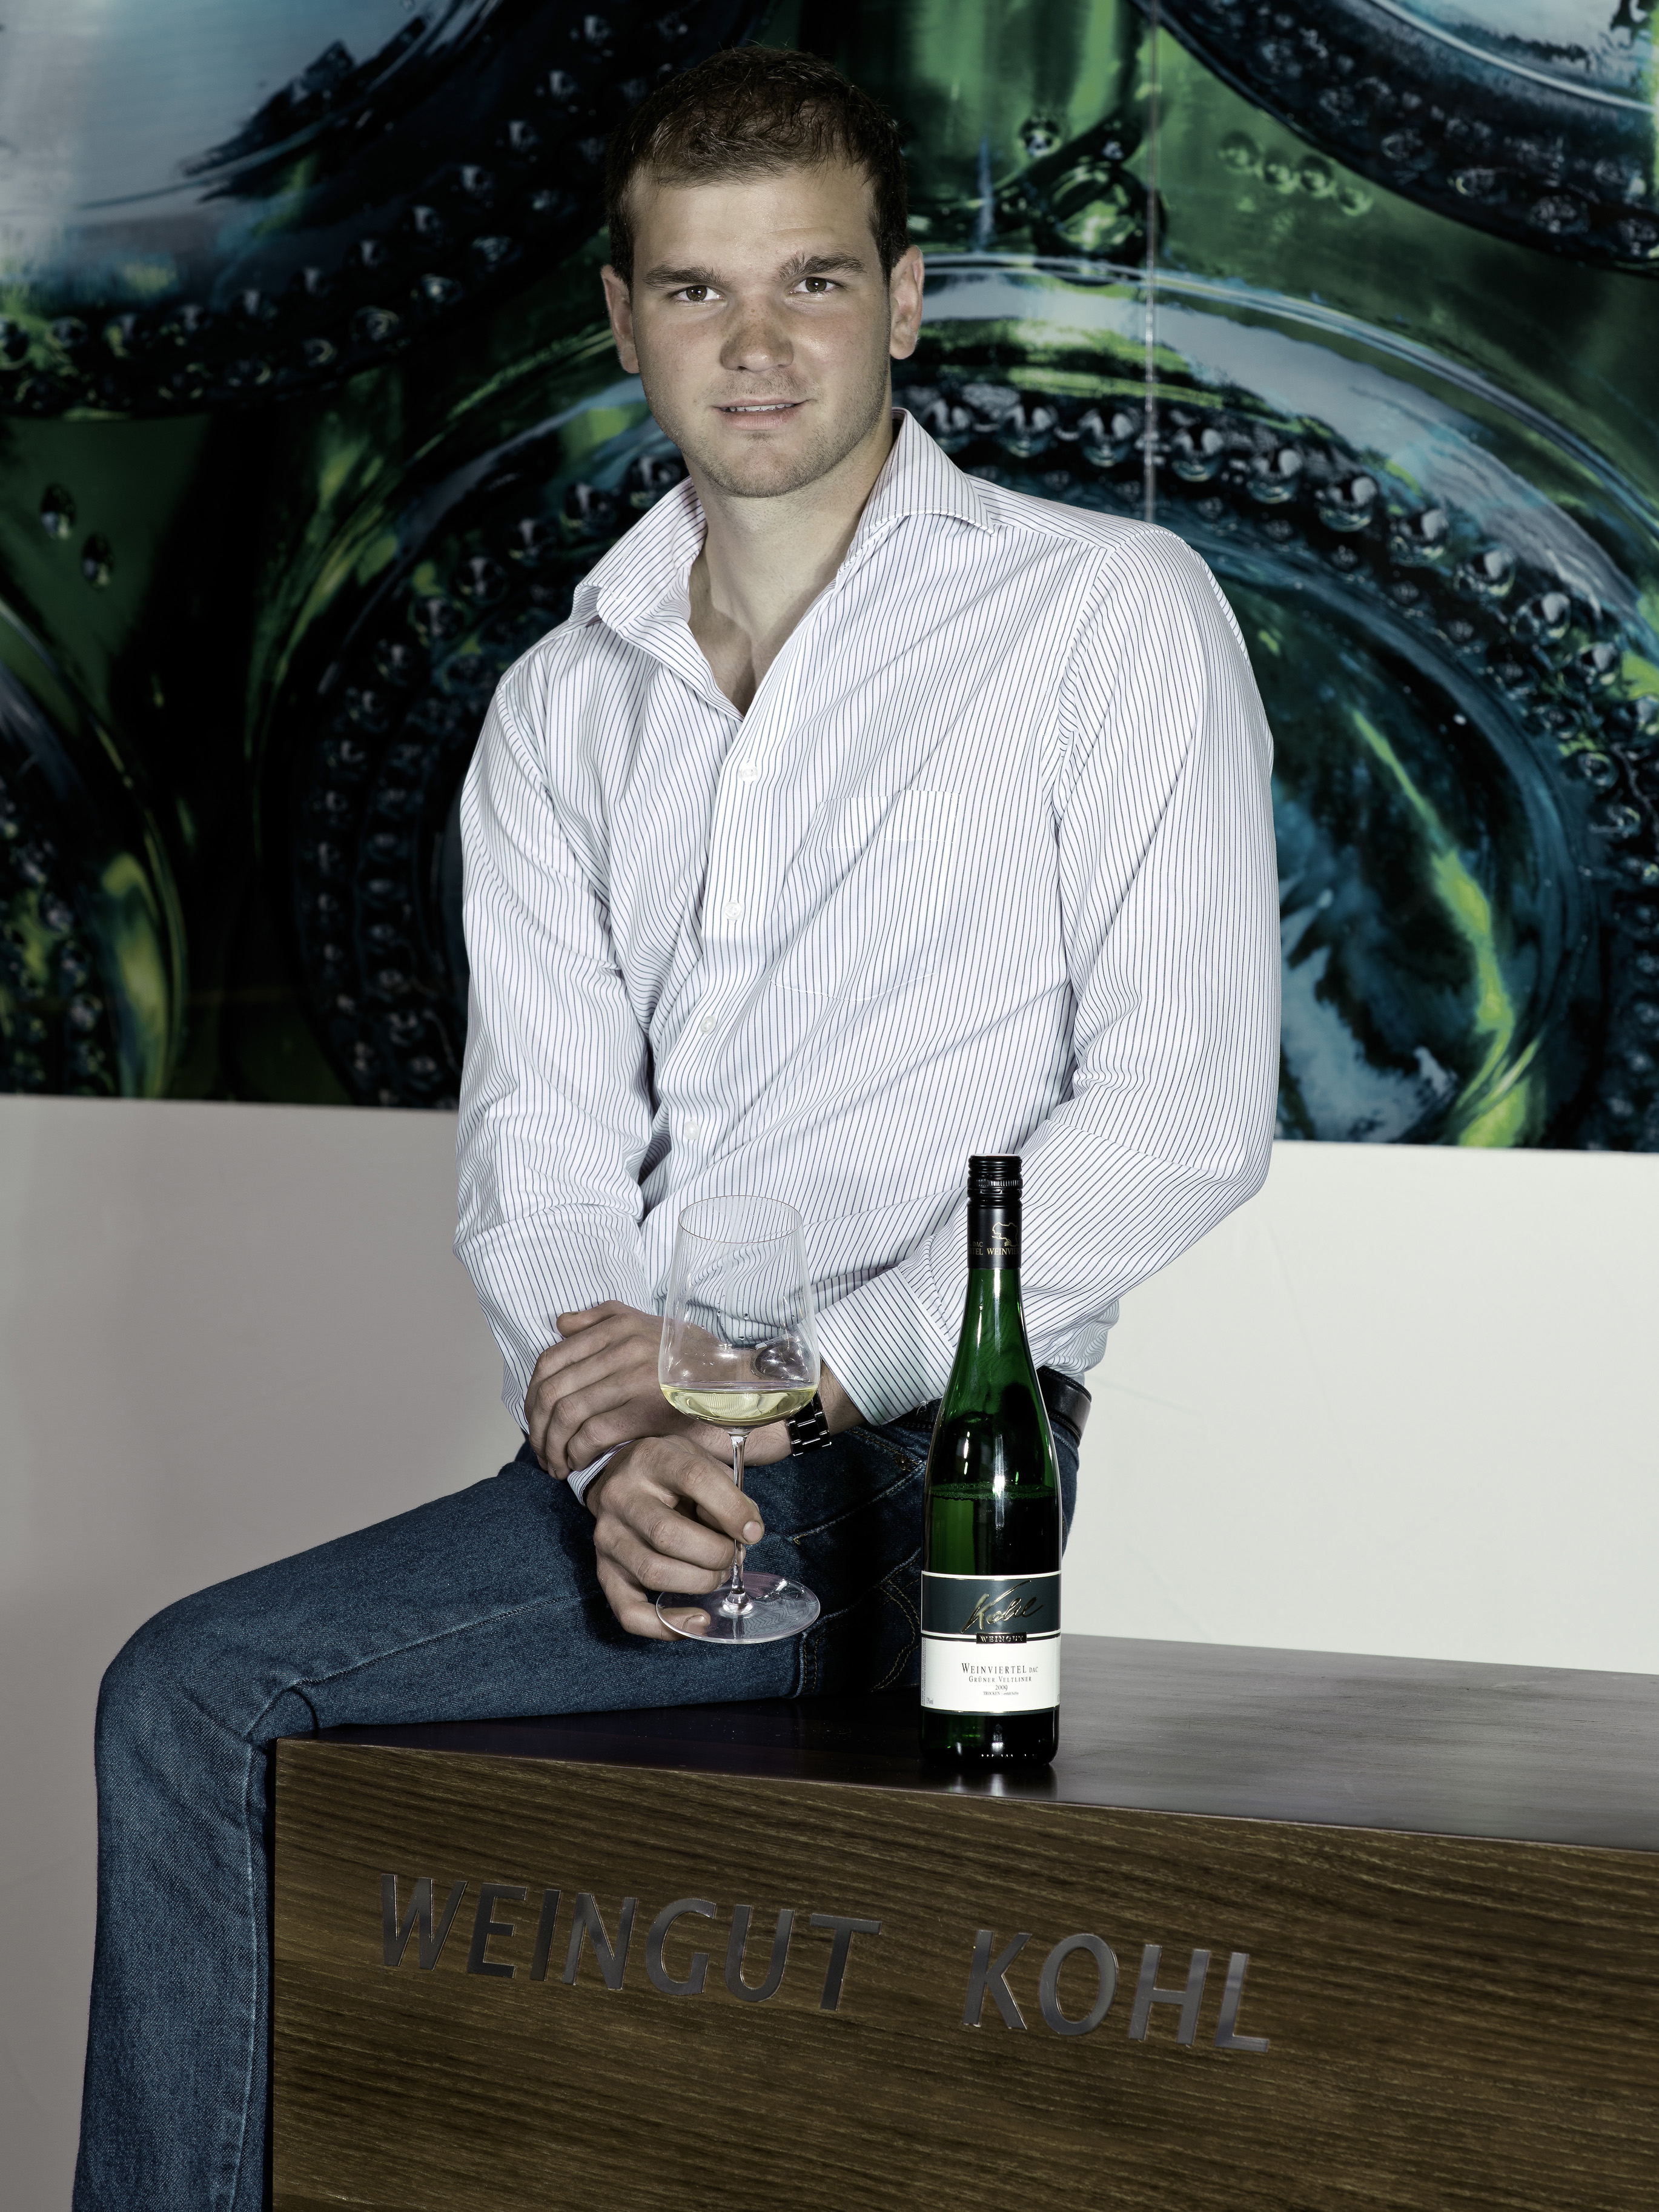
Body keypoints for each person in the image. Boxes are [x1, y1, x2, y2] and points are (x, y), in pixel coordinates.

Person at [73, 45, 1279, 2212]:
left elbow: (1182, 1116)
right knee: (284, 1777)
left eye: (811, 281)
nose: (759, 344)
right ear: (623, 321)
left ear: (903, 298)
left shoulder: (1104, 611)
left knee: (195, 1693)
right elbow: (537, 1157)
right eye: (701, 291)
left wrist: (779, 1383)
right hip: (643, 1455)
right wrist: (616, 1443)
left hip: (920, 1469)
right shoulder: (561, 701)